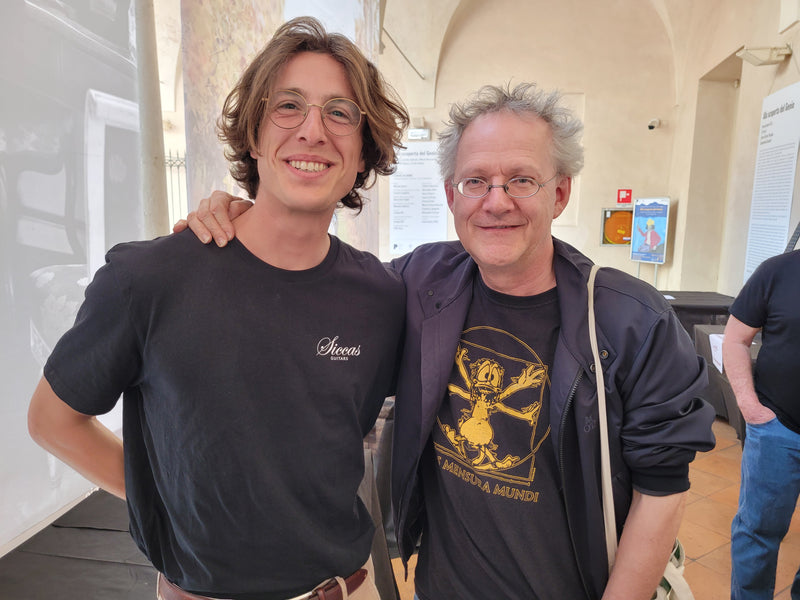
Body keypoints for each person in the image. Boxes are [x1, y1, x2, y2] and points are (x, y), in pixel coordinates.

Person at [181, 83, 716, 600]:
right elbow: (325, 290)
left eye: (521, 180)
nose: (496, 201)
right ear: (450, 196)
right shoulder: (424, 281)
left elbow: (662, 488)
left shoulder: (631, 320)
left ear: (559, 193)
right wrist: (252, 220)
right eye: (475, 181)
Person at [27, 17, 408, 600]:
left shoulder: (382, 298)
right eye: (288, 106)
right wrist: (159, 496)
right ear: (254, 137)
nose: (313, 130)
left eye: (340, 112)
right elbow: (52, 420)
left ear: (364, 154)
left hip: (345, 590)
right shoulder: (148, 280)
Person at [725, 249, 800, 599]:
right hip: (777, 430)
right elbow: (736, 339)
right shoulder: (778, 271)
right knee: (757, 534)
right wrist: (748, 405)